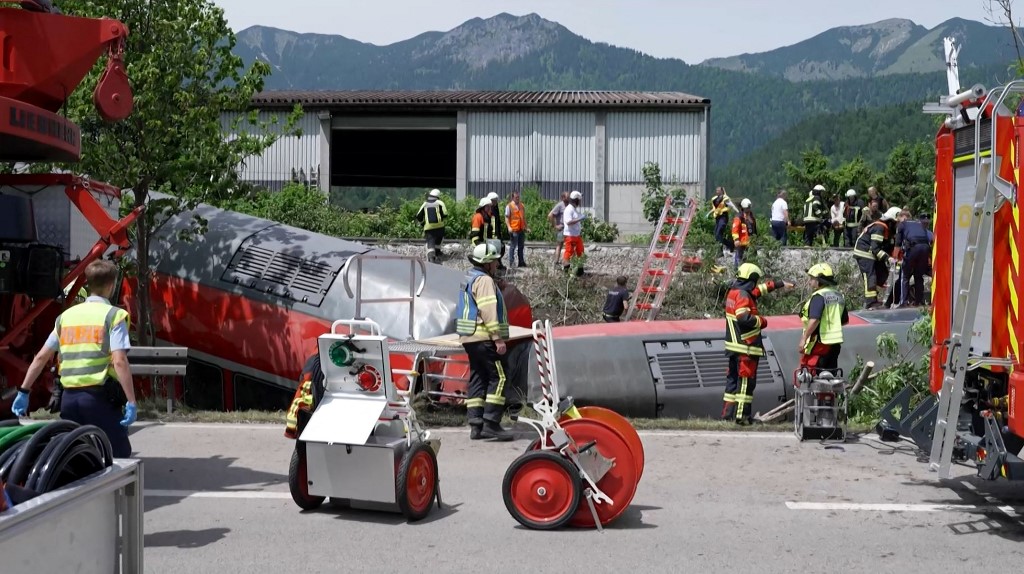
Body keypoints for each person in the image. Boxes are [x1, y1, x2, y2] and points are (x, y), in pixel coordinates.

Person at [11, 260, 138, 457]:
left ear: (87, 283)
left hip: (69, 400)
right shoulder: (114, 315)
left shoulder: (65, 317)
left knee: (76, 456)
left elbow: (41, 357)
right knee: (120, 455)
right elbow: (119, 360)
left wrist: (24, 391)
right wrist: (131, 401)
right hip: (99, 399)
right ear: (111, 285)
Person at [721, 263, 795, 425]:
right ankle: (742, 418)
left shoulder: (735, 292)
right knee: (746, 385)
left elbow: (759, 290)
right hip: (746, 348)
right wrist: (762, 321)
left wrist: (779, 284)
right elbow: (743, 318)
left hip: (734, 347)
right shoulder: (743, 296)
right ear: (752, 279)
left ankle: (727, 415)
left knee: (732, 383)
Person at [455, 242, 513, 441]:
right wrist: (497, 339)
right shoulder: (485, 281)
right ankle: (491, 422)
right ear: (487, 263)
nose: (497, 264)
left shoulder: (470, 277)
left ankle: (476, 425)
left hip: (469, 338)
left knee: (478, 377)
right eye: (495, 261)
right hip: (484, 337)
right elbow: (488, 310)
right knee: (500, 377)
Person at [797, 263, 849, 375]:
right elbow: (845, 321)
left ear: (819, 280)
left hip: (820, 342)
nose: (810, 281)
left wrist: (804, 338)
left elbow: (815, 320)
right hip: (835, 344)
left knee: (811, 375)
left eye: (812, 278)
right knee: (830, 378)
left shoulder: (819, 296)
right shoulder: (838, 296)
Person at [496, 276, 533, 422]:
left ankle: (493, 411)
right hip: (512, 341)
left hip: (503, 343)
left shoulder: (502, 297)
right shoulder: (512, 295)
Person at [853, 207, 900, 308]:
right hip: (865, 253)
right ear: (891, 221)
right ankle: (870, 302)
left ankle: (883, 299)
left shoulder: (885, 229)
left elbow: (886, 247)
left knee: (883, 274)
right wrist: (888, 258)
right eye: (897, 223)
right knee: (871, 276)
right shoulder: (880, 228)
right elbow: (875, 249)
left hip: (872, 254)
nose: (898, 226)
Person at [893, 209, 932, 307]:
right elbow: (930, 238)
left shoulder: (902, 225)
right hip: (925, 248)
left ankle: (904, 303)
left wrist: (895, 257)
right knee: (919, 276)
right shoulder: (919, 224)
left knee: (905, 276)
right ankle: (918, 302)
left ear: (902, 217)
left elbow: (897, 242)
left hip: (913, 248)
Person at [415, 189, 448, 263]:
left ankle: (431, 257)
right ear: (438, 196)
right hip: (440, 227)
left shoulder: (425, 204)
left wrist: (422, 223)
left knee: (430, 242)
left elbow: (418, 216)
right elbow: (445, 214)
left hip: (429, 228)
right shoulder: (440, 203)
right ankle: (438, 253)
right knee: (439, 240)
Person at [561, 190, 586, 273]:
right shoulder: (569, 209)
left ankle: (580, 271)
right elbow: (569, 222)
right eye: (579, 200)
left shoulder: (574, 209)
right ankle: (566, 271)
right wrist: (580, 218)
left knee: (580, 251)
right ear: (576, 200)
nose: (580, 202)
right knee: (568, 253)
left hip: (576, 235)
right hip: (570, 236)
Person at [504, 191, 529, 267]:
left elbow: (523, 218)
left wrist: (526, 227)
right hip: (514, 229)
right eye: (516, 197)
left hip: (521, 229)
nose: (518, 198)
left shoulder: (521, 205)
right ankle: (511, 262)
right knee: (513, 246)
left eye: (518, 197)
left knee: (521, 246)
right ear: (512, 197)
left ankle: (521, 262)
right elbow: (507, 218)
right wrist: (509, 227)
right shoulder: (509, 206)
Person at [731, 198, 754, 268]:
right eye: (747, 208)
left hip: (750, 243)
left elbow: (753, 229)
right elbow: (735, 229)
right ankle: (736, 273)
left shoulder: (751, 217)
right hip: (741, 243)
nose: (749, 209)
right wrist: (736, 239)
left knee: (750, 261)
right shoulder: (739, 217)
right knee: (739, 260)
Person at [710, 186, 734, 253]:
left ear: (721, 191)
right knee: (716, 235)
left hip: (723, 217)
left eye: (718, 190)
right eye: (716, 190)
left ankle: (722, 249)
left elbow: (730, 207)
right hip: (718, 218)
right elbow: (714, 208)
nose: (717, 191)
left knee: (718, 232)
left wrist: (722, 210)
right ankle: (729, 245)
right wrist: (709, 213)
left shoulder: (725, 198)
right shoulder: (714, 199)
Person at [548, 192, 569, 263]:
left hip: (568, 228)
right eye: (567, 197)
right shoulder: (560, 205)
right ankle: (556, 261)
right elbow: (550, 215)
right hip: (561, 228)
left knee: (569, 245)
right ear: (563, 198)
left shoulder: (569, 205)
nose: (568, 198)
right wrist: (555, 226)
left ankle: (566, 260)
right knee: (559, 245)